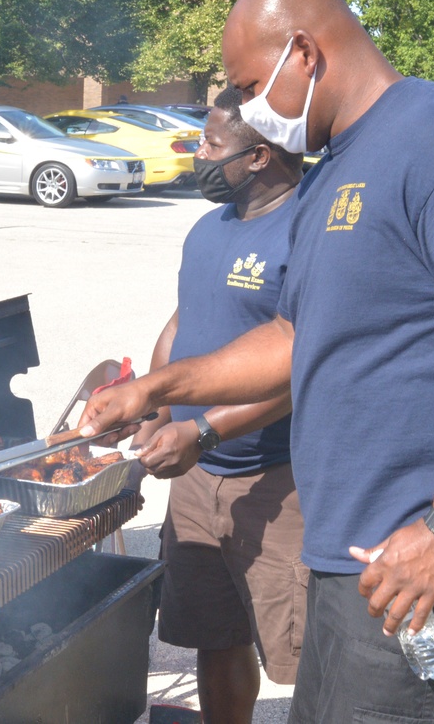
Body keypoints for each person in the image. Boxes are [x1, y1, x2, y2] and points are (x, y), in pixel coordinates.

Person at [81, 0, 434, 723]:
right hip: (352, 551)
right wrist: (157, 388)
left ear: (303, 53)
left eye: (250, 85)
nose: (247, 108)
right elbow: (297, 334)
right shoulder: (335, 171)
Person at [130, 85, 307, 724]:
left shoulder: (310, 229)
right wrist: (152, 409)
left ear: (259, 156)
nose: (198, 154)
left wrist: (202, 430)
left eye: (211, 144)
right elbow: (182, 323)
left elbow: (303, 369)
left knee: (302, 654)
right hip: (195, 480)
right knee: (214, 635)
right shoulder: (210, 228)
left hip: (278, 483)